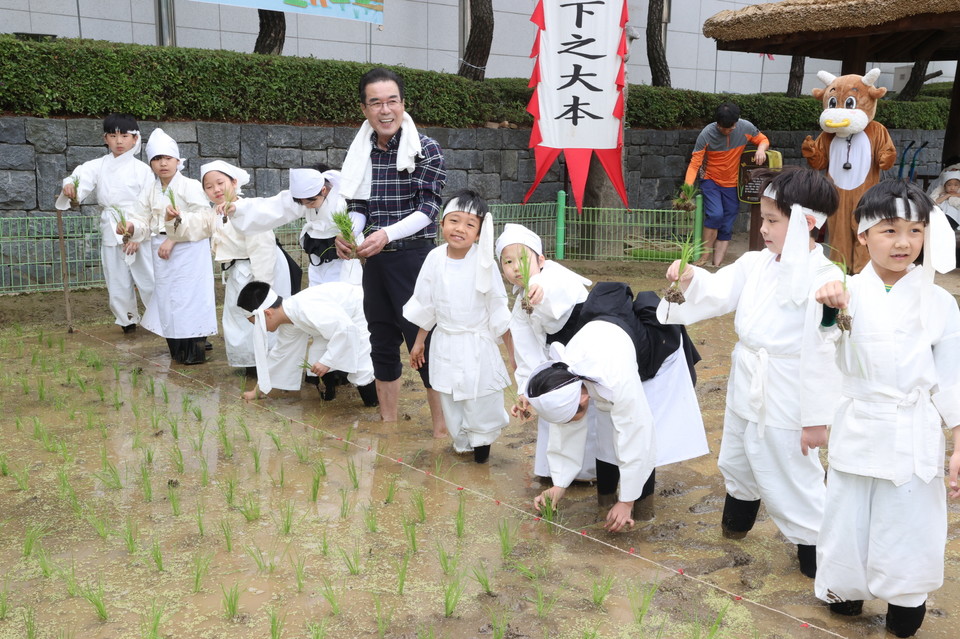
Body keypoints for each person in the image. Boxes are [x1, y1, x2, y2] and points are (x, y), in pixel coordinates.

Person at [657, 168, 842, 578]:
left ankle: (816, 553)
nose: (763, 228)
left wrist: (816, 419)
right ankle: (736, 523)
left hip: (789, 386)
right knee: (738, 454)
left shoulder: (827, 279)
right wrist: (690, 278)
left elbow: (825, 350)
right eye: (763, 218)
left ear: (808, 223)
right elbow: (719, 290)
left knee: (791, 468)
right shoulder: (757, 263)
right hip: (748, 374)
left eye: (773, 221)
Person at [814, 180, 959, 638]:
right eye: (889, 230)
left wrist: (957, 442)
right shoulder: (843, 292)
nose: (903, 243)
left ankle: (905, 602)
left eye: (915, 232)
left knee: (911, 521)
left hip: (912, 427)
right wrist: (826, 307)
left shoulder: (939, 302)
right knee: (847, 516)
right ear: (862, 236)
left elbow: (951, 377)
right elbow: (823, 350)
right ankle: (844, 590)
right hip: (859, 422)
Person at [526, 283, 708, 529]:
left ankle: (643, 507)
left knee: (645, 422)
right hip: (604, 334)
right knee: (605, 427)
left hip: (655, 348)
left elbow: (638, 435)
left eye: (573, 415)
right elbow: (564, 427)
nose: (570, 423)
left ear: (582, 399)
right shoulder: (565, 375)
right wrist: (559, 485)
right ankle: (606, 500)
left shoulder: (617, 379)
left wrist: (628, 500)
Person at [336, 67, 447, 433]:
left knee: (424, 342)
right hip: (374, 262)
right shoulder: (361, 151)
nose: (385, 110)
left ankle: (441, 430)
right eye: (376, 103)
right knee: (380, 339)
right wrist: (350, 234)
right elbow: (358, 205)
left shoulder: (424, 148)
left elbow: (429, 208)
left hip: (415, 259)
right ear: (364, 109)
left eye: (392, 101)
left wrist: (385, 234)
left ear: (403, 103)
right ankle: (388, 424)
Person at [403, 191, 510, 463]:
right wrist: (418, 342)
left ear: (479, 233)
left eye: (470, 224)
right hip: (446, 340)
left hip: (477, 342)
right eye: (454, 220)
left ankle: (482, 451)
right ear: (442, 224)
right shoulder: (434, 258)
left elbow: (498, 307)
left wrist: (513, 355)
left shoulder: (484, 262)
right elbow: (427, 304)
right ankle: (462, 445)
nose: (460, 229)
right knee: (450, 397)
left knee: (480, 398)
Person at [496, 223, 597, 481]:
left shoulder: (557, 277)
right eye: (508, 262)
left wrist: (540, 287)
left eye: (523, 259)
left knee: (590, 410)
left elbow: (553, 289)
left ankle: (593, 471)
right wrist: (526, 393)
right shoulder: (520, 308)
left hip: (588, 357)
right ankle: (554, 472)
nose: (516, 267)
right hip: (555, 365)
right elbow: (527, 355)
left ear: (541, 259)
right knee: (553, 405)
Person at [57, 113, 155, 333]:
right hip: (111, 227)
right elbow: (78, 177)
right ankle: (127, 320)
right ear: (105, 138)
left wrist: (138, 235)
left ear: (135, 139)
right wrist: (71, 188)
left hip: (139, 226)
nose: (119, 141)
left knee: (149, 278)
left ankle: (158, 319)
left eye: (124, 136)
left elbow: (149, 205)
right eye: (113, 135)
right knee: (117, 278)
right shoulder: (98, 165)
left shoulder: (144, 171)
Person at [126, 129, 216, 365]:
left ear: (177, 160)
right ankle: (177, 349)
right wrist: (129, 228)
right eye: (156, 159)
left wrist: (174, 237)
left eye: (167, 158)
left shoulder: (190, 185)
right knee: (168, 299)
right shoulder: (150, 189)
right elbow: (141, 219)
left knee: (190, 299)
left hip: (189, 250)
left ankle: (194, 351)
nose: (162, 163)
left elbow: (204, 219)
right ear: (151, 164)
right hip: (162, 250)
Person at [200, 160, 291, 376]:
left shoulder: (248, 210)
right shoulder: (216, 213)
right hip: (237, 272)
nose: (216, 190)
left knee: (260, 313)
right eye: (209, 186)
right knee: (239, 316)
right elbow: (195, 225)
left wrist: (262, 286)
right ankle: (250, 361)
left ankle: (266, 361)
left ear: (234, 182)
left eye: (220, 183)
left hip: (256, 270)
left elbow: (262, 248)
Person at [236, 281, 378, 407]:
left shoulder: (305, 308)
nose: (258, 328)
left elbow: (346, 331)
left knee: (361, 368)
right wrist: (259, 390)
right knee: (316, 359)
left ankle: (375, 406)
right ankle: (329, 402)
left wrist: (327, 361)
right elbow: (280, 354)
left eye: (256, 323)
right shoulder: (288, 319)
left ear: (268, 313)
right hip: (339, 324)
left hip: (361, 311)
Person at [224, 166, 363, 286]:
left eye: (311, 202)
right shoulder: (307, 199)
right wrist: (238, 208)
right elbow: (273, 207)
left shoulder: (342, 200)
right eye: (303, 204)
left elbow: (356, 220)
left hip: (341, 261)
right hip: (317, 259)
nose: (307, 206)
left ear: (324, 190)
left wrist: (349, 235)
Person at [684, 102, 769, 268]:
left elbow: (763, 139)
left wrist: (761, 149)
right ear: (718, 124)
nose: (729, 130)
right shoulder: (706, 134)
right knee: (715, 215)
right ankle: (703, 258)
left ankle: (717, 265)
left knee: (727, 222)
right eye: (725, 128)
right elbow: (695, 163)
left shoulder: (745, 127)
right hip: (711, 180)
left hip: (732, 183)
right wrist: (687, 188)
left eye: (732, 127)